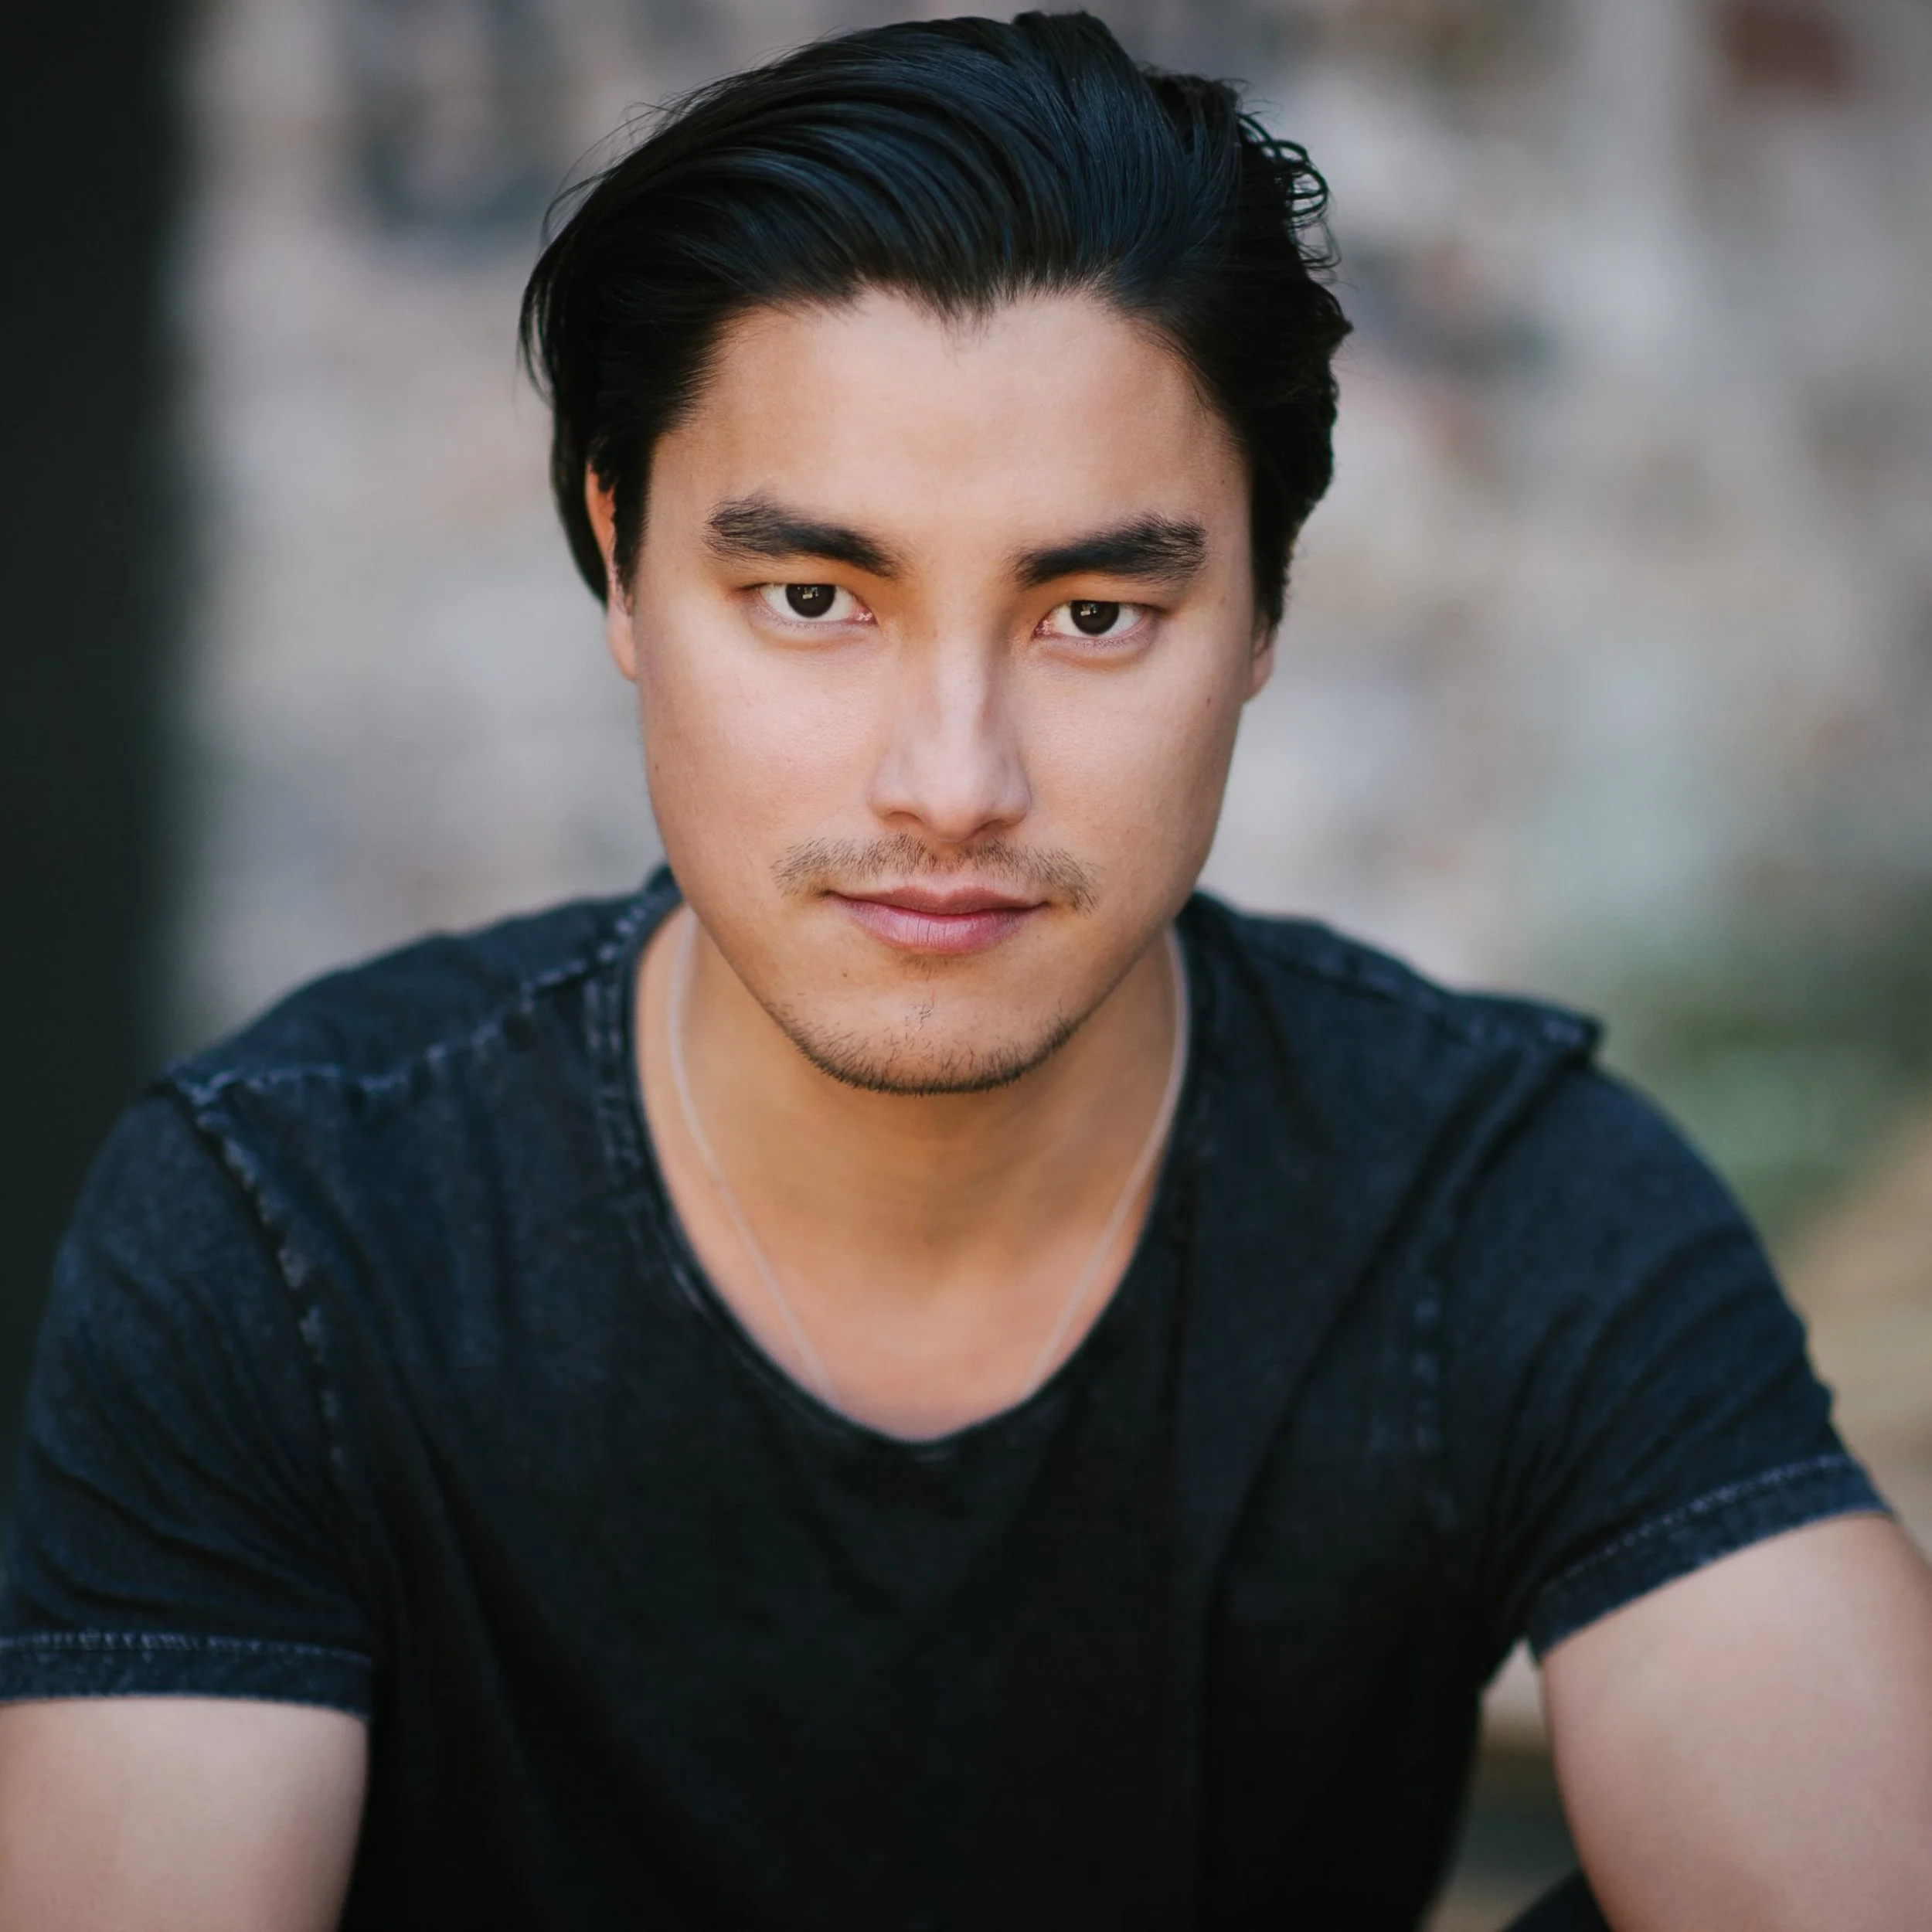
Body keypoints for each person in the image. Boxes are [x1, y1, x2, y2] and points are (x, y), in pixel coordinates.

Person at [2, 12, 1928, 1930]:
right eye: (813, 599)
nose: (950, 783)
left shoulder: (1493, 1208)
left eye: (1092, 611)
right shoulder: (290, 1230)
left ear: (1259, 612)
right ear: (618, 564)